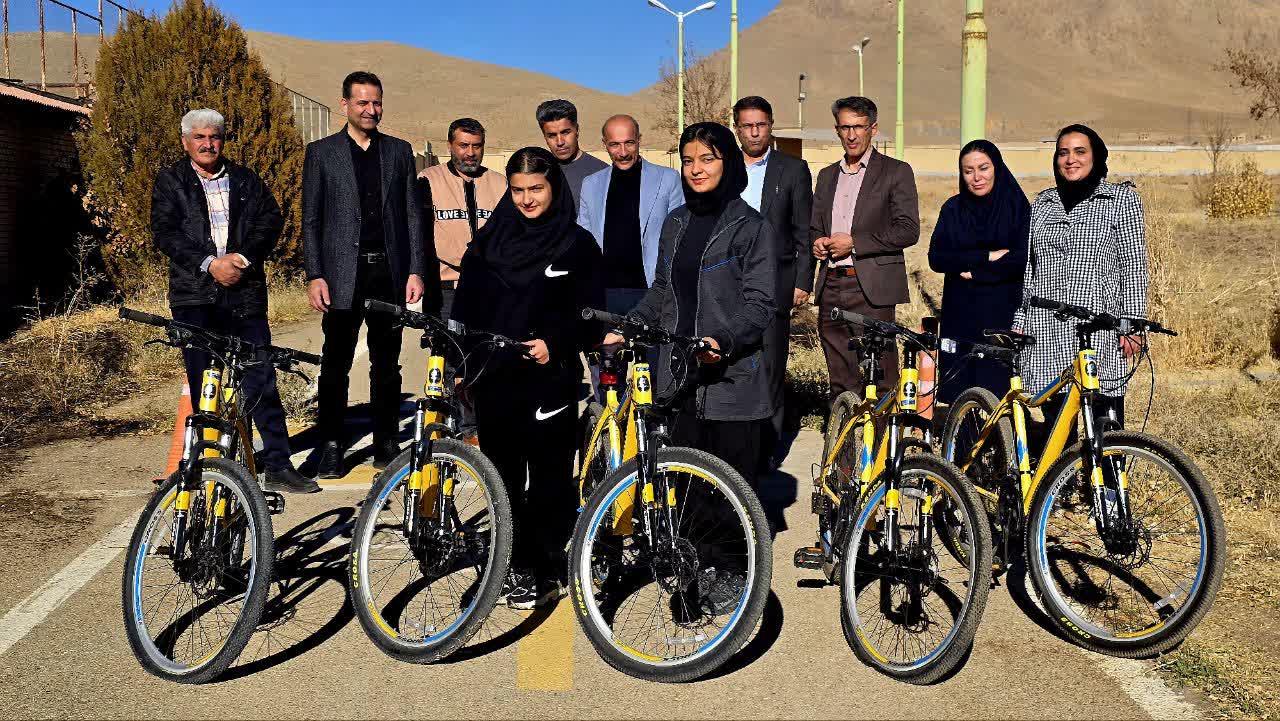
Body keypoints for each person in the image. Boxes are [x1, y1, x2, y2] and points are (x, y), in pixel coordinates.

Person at [451, 147, 604, 609]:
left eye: (536, 188)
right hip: (495, 380)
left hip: (549, 380)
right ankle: (510, 564)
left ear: (553, 186)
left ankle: (546, 566)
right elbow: (465, 311)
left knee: (549, 480)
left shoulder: (577, 245)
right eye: (517, 190)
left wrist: (555, 342)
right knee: (502, 479)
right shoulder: (487, 244)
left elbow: (591, 316)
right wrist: (462, 365)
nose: (526, 199)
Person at [152, 108, 318, 494]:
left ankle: (278, 464)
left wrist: (242, 258)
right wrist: (210, 264)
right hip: (195, 298)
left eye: (214, 137)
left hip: (245, 296)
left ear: (223, 140)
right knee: (204, 386)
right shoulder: (170, 181)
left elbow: (270, 221)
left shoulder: (245, 180)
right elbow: (165, 232)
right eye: (199, 137)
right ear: (185, 142)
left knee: (260, 379)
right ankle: (210, 468)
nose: (208, 144)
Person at [607, 122, 777, 492]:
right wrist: (629, 325)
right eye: (687, 161)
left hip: (730, 384)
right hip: (678, 381)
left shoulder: (751, 227)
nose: (696, 169)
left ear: (728, 162)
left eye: (707, 159)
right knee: (683, 500)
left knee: (731, 502)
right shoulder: (676, 222)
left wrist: (722, 340)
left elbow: (760, 305)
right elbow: (661, 291)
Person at [303, 71, 432, 479]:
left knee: (387, 363)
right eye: (362, 102)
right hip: (341, 275)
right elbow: (311, 219)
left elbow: (412, 216)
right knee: (335, 363)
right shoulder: (321, 153)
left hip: (388, 274)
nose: (370, 110)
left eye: (376, 102)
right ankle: (330, 444)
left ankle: (386, 442)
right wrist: (315, 274)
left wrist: (415, 269)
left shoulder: (398, 151)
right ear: (345, 104)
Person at [1013, 124, 1147, 434]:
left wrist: (1132, 325)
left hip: (1097, 326)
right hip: (1046, 327)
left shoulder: (1120, 200)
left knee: (1103, 420)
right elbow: (1030, 270)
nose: (1070, 159)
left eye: (1079, 151)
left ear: (1095, 156)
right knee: (1055, 425)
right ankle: (1061, 469)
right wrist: (1020, 320)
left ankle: (1107, 468)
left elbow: (1133, 266)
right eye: (1063, 152)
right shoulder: (1043, 204)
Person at [810, 96, 920, 402]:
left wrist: (855, 242)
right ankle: (845, 433)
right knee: (840, 377)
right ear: (837, 129)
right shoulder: (827, 176)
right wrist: (817, 242)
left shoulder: (895, 171)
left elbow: (908, 229)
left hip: (871, 288)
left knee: (880, 374)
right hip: (831, 284)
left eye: (858, 127)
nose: (851, 135)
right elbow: (816, 226)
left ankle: (883, 434)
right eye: (845, 127)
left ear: (873, 128)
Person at [733, 95, 814, 468]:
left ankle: (767, 452)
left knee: (770, 366)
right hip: (728, 283)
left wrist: (802, 281)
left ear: (770, 126)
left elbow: (803, 231)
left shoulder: (792, 170)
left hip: (774, 283)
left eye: (761, 125)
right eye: (747, 125)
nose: (754, 132)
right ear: (737, 128)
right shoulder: (722, 167)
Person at [928, 139, 1029, 404]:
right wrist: (987, 256)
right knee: (961, 388)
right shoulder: (953, 209)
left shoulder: (1017, 208)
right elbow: (937, 258)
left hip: (1002, 312)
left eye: (983, 168)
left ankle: (1002, 431)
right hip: (960, 312)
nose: (976, 177)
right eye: (968, 171)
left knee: (999, 388)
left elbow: (1022, 259)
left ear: (997, 168)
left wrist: (976, 272)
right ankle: (962, 431)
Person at [577, 114, 684, 315]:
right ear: (605, 144)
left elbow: (679, 238)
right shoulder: (590, 184)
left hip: (652, 292)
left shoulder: (668, 179)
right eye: (615, 145)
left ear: (639, 140)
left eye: (629, 143)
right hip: (604, 293)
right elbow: (584, 241)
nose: (623, 152)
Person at [419, 117, 507, 322]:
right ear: (450, 145)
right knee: (445, 343)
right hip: (445, 292)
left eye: (477, 146)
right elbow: (419, 235)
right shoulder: (428, 179)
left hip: (490, 289)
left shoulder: (499, 183)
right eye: (463, 145)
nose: (471, 153)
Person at [536, 98, 607, 205]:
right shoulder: (537, 172)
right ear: (544, 136)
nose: (560, 142)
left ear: (577, 130)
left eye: (565, 132)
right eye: (552, 135)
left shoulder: (602, 173)